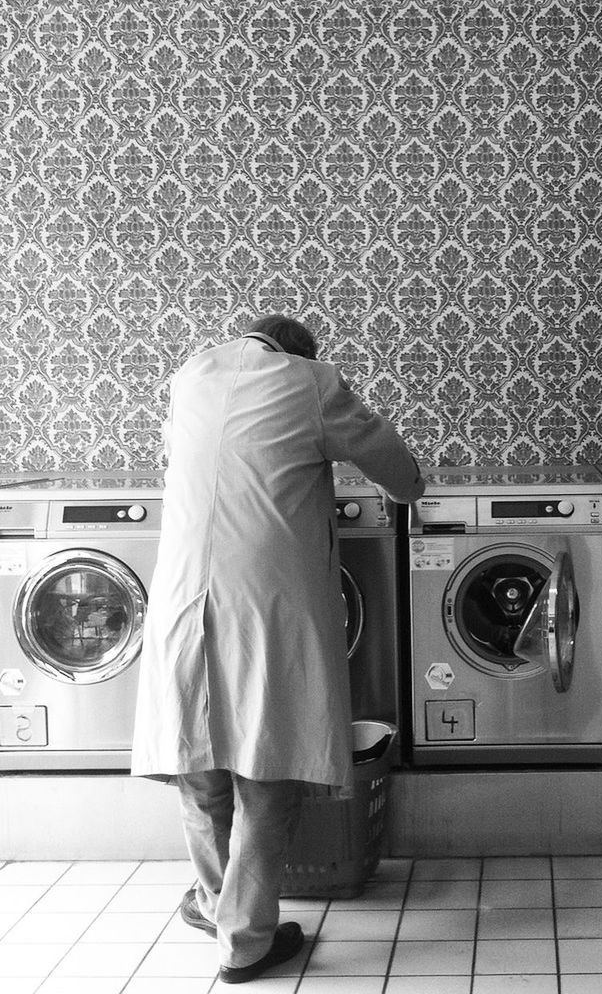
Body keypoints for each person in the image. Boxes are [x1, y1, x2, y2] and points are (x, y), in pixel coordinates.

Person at [131, 315, 424, 984]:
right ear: (297, 351)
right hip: (265, 606)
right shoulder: (311, 382)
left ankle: (215, 904)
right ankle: (246, 943)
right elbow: (386, 456)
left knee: (199, 766)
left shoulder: (190, 378)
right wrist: (413, 487)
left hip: (182, 596)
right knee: (267, 771)